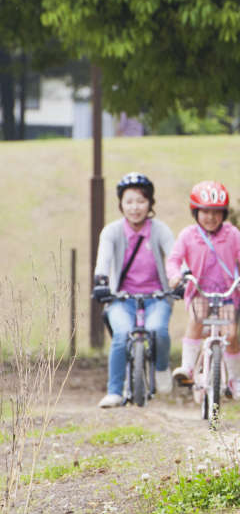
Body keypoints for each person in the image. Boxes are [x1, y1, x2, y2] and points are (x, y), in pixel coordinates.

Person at [166, 180, 240, 400]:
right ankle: (188, 368)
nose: (211, 217)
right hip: (199, 292)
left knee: (232, 334)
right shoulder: (188, 235)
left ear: (224, 213)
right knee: (197, 319)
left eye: (217, 212)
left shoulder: (232, 234)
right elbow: (173, 260)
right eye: (205, 211)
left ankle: (234, 380)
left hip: (227, 294)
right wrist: (175, 276)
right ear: (195, 212)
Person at [92, 172, 175, 408]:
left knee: (158, 329)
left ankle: (160, 368)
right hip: (121, 298)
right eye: (129, 202)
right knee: (121, 335)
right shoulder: (111, 231)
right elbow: (103, 261)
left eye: (141, 201)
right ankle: (115, 391)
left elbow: (174, 256)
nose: (135, 208)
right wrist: (101, 281)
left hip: (157, 296)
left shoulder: (160, 230)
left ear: (150, 204)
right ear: (121, 204)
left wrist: (180, 276)